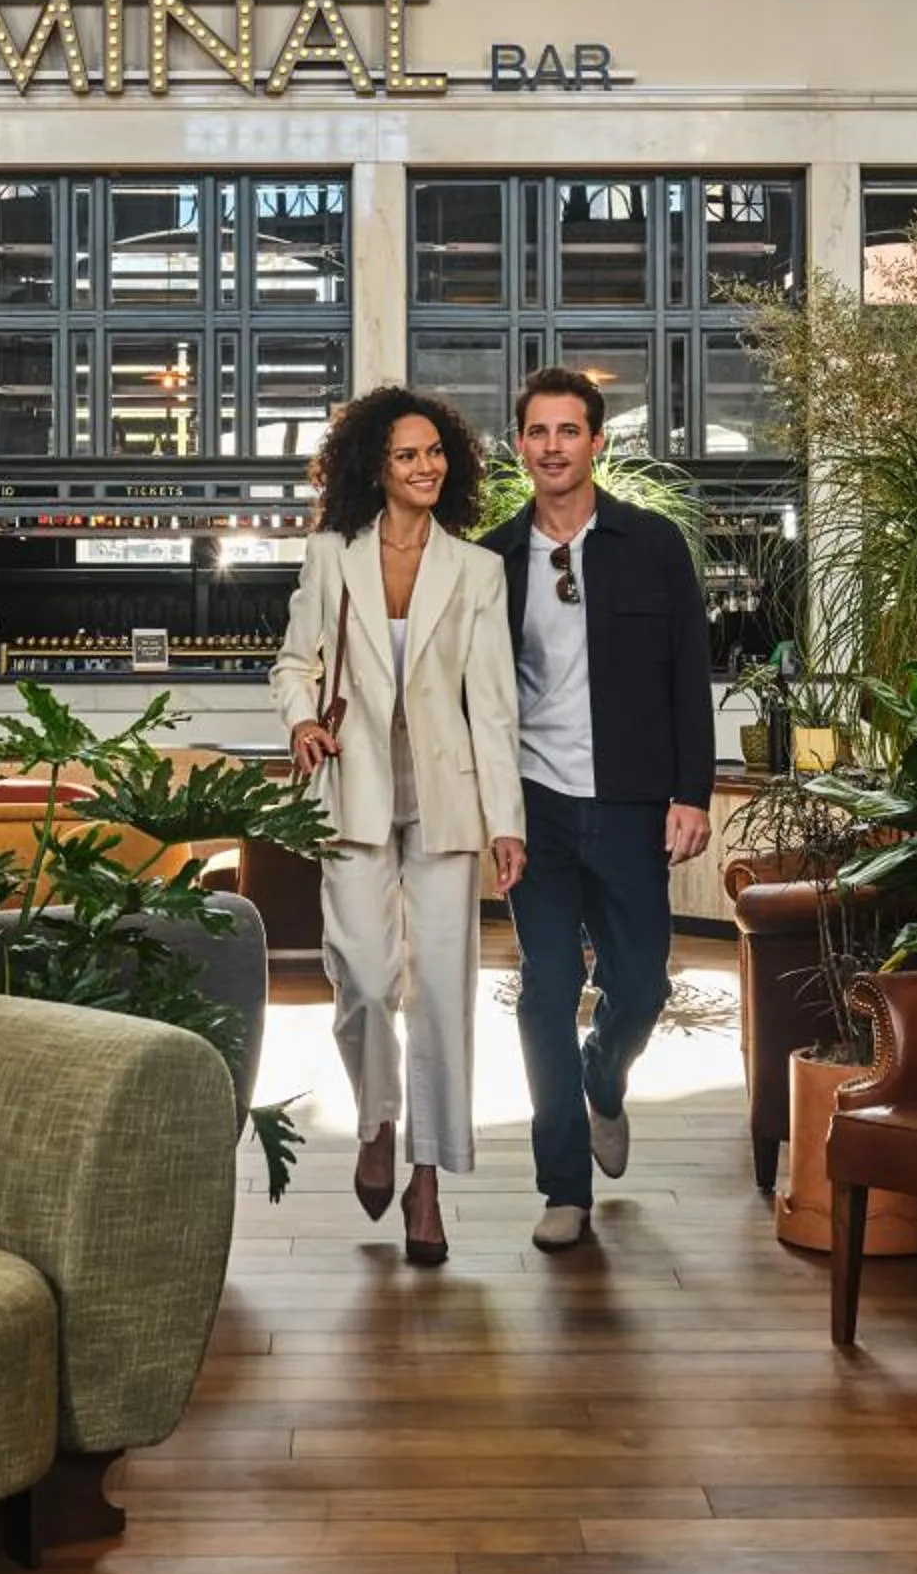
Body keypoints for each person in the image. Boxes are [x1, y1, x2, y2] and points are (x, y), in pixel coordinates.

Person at [272, 385, 528, 1266]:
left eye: (435, 452)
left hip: (448, 796)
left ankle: (426, 1180)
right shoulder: (331, 555)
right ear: (372, 467)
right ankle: (375, 1120)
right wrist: (302, 717)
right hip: (352, 786)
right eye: (406, 455)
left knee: (444, 995)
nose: (426, 467)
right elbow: (295, 661)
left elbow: (493, 706)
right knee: (369, 983)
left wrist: (508, 822)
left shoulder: (477, 571)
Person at [482, 366, 715, 1252]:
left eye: (568, 431)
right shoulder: (493, 560)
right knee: (544, 989)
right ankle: (563, 1187)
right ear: (520, 446)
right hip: (532, 805)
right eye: (537, 432)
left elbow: (687, 674)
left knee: (644, 980)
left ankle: (605, 1075)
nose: (552, 447)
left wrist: (690, 791)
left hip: (626, 802)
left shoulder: (652, 544)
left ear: (596, 442)